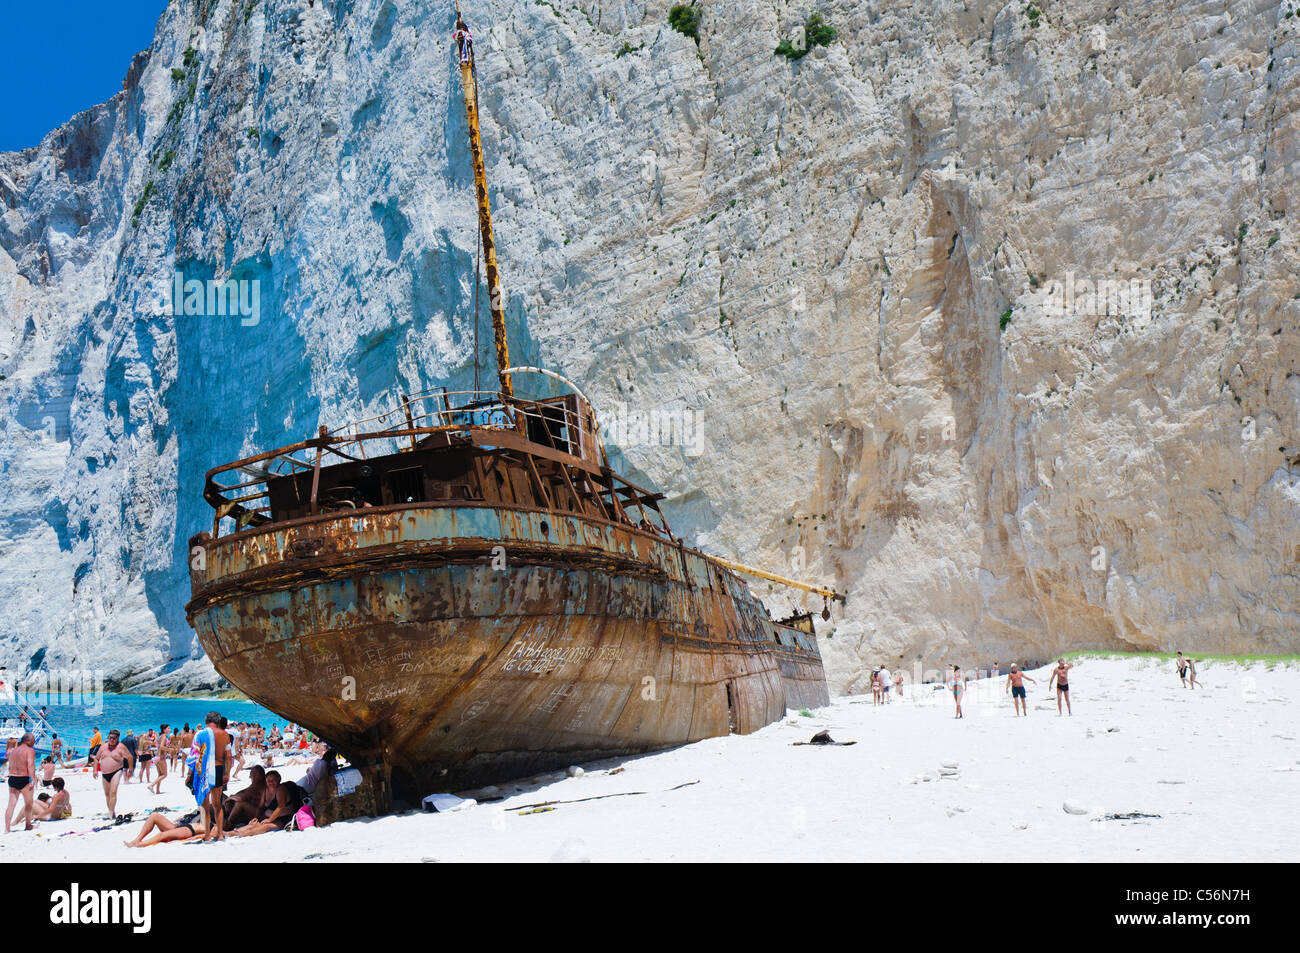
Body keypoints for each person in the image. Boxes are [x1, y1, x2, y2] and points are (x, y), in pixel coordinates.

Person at [230, 771, 304, 837]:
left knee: (266, 826)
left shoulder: (281, 789)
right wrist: (256, 818)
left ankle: (244, 834)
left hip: (284, 819)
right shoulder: (266, 790)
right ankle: (230, 833)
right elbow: (260, 807)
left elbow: (280, 807)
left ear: (278, 780)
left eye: (273, 780)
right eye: (268, 781)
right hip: (273, 817)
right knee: (255, 824)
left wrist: (270, 819)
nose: (271, 783)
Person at [94, 729, 134, 818]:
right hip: (104, 773)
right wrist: (95, 770)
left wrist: (130, 770)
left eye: (114, 738)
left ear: (117, 738)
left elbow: (130, 757)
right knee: (107, 794)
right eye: (110, 737)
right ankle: (112, 811)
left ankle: (110, 813)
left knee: (113, 791)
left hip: (117, 771)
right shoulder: (103, 747)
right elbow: (96, 758)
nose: (111, 740)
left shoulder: (121, 747)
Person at [5, 732, 37, 832]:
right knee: (28, 803)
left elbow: (10, 765)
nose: (34, 742)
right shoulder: (30, 750)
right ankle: (28, 825)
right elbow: (30, 765)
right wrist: (32, 779)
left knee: (11, 805)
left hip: (12, 778)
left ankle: (7, 829)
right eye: (33, 740)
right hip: (24, 779)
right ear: (27, 741)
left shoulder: (13, 751)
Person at [124, 809, 206, 848]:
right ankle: (137, 839)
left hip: (190, 830)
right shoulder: (206, 806)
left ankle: (140, 844)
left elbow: (214, 832)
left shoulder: (217, 817)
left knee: (161, 835)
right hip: (181, 826)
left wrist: (198, 836)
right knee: (154, 815)